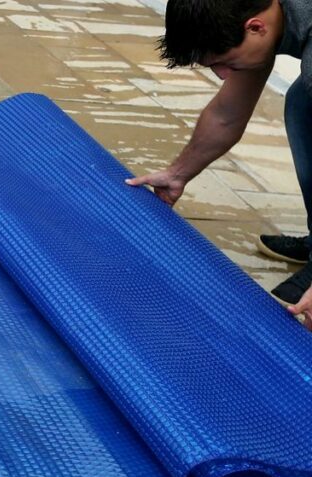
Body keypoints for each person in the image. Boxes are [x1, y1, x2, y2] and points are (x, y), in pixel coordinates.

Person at [127, 0, 312, 329]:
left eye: (225, 63)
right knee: (302, 102)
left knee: (306, 102)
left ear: (256, 27)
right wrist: (177, 174)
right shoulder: (252, 16)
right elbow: (227, 115)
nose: (222, 75)